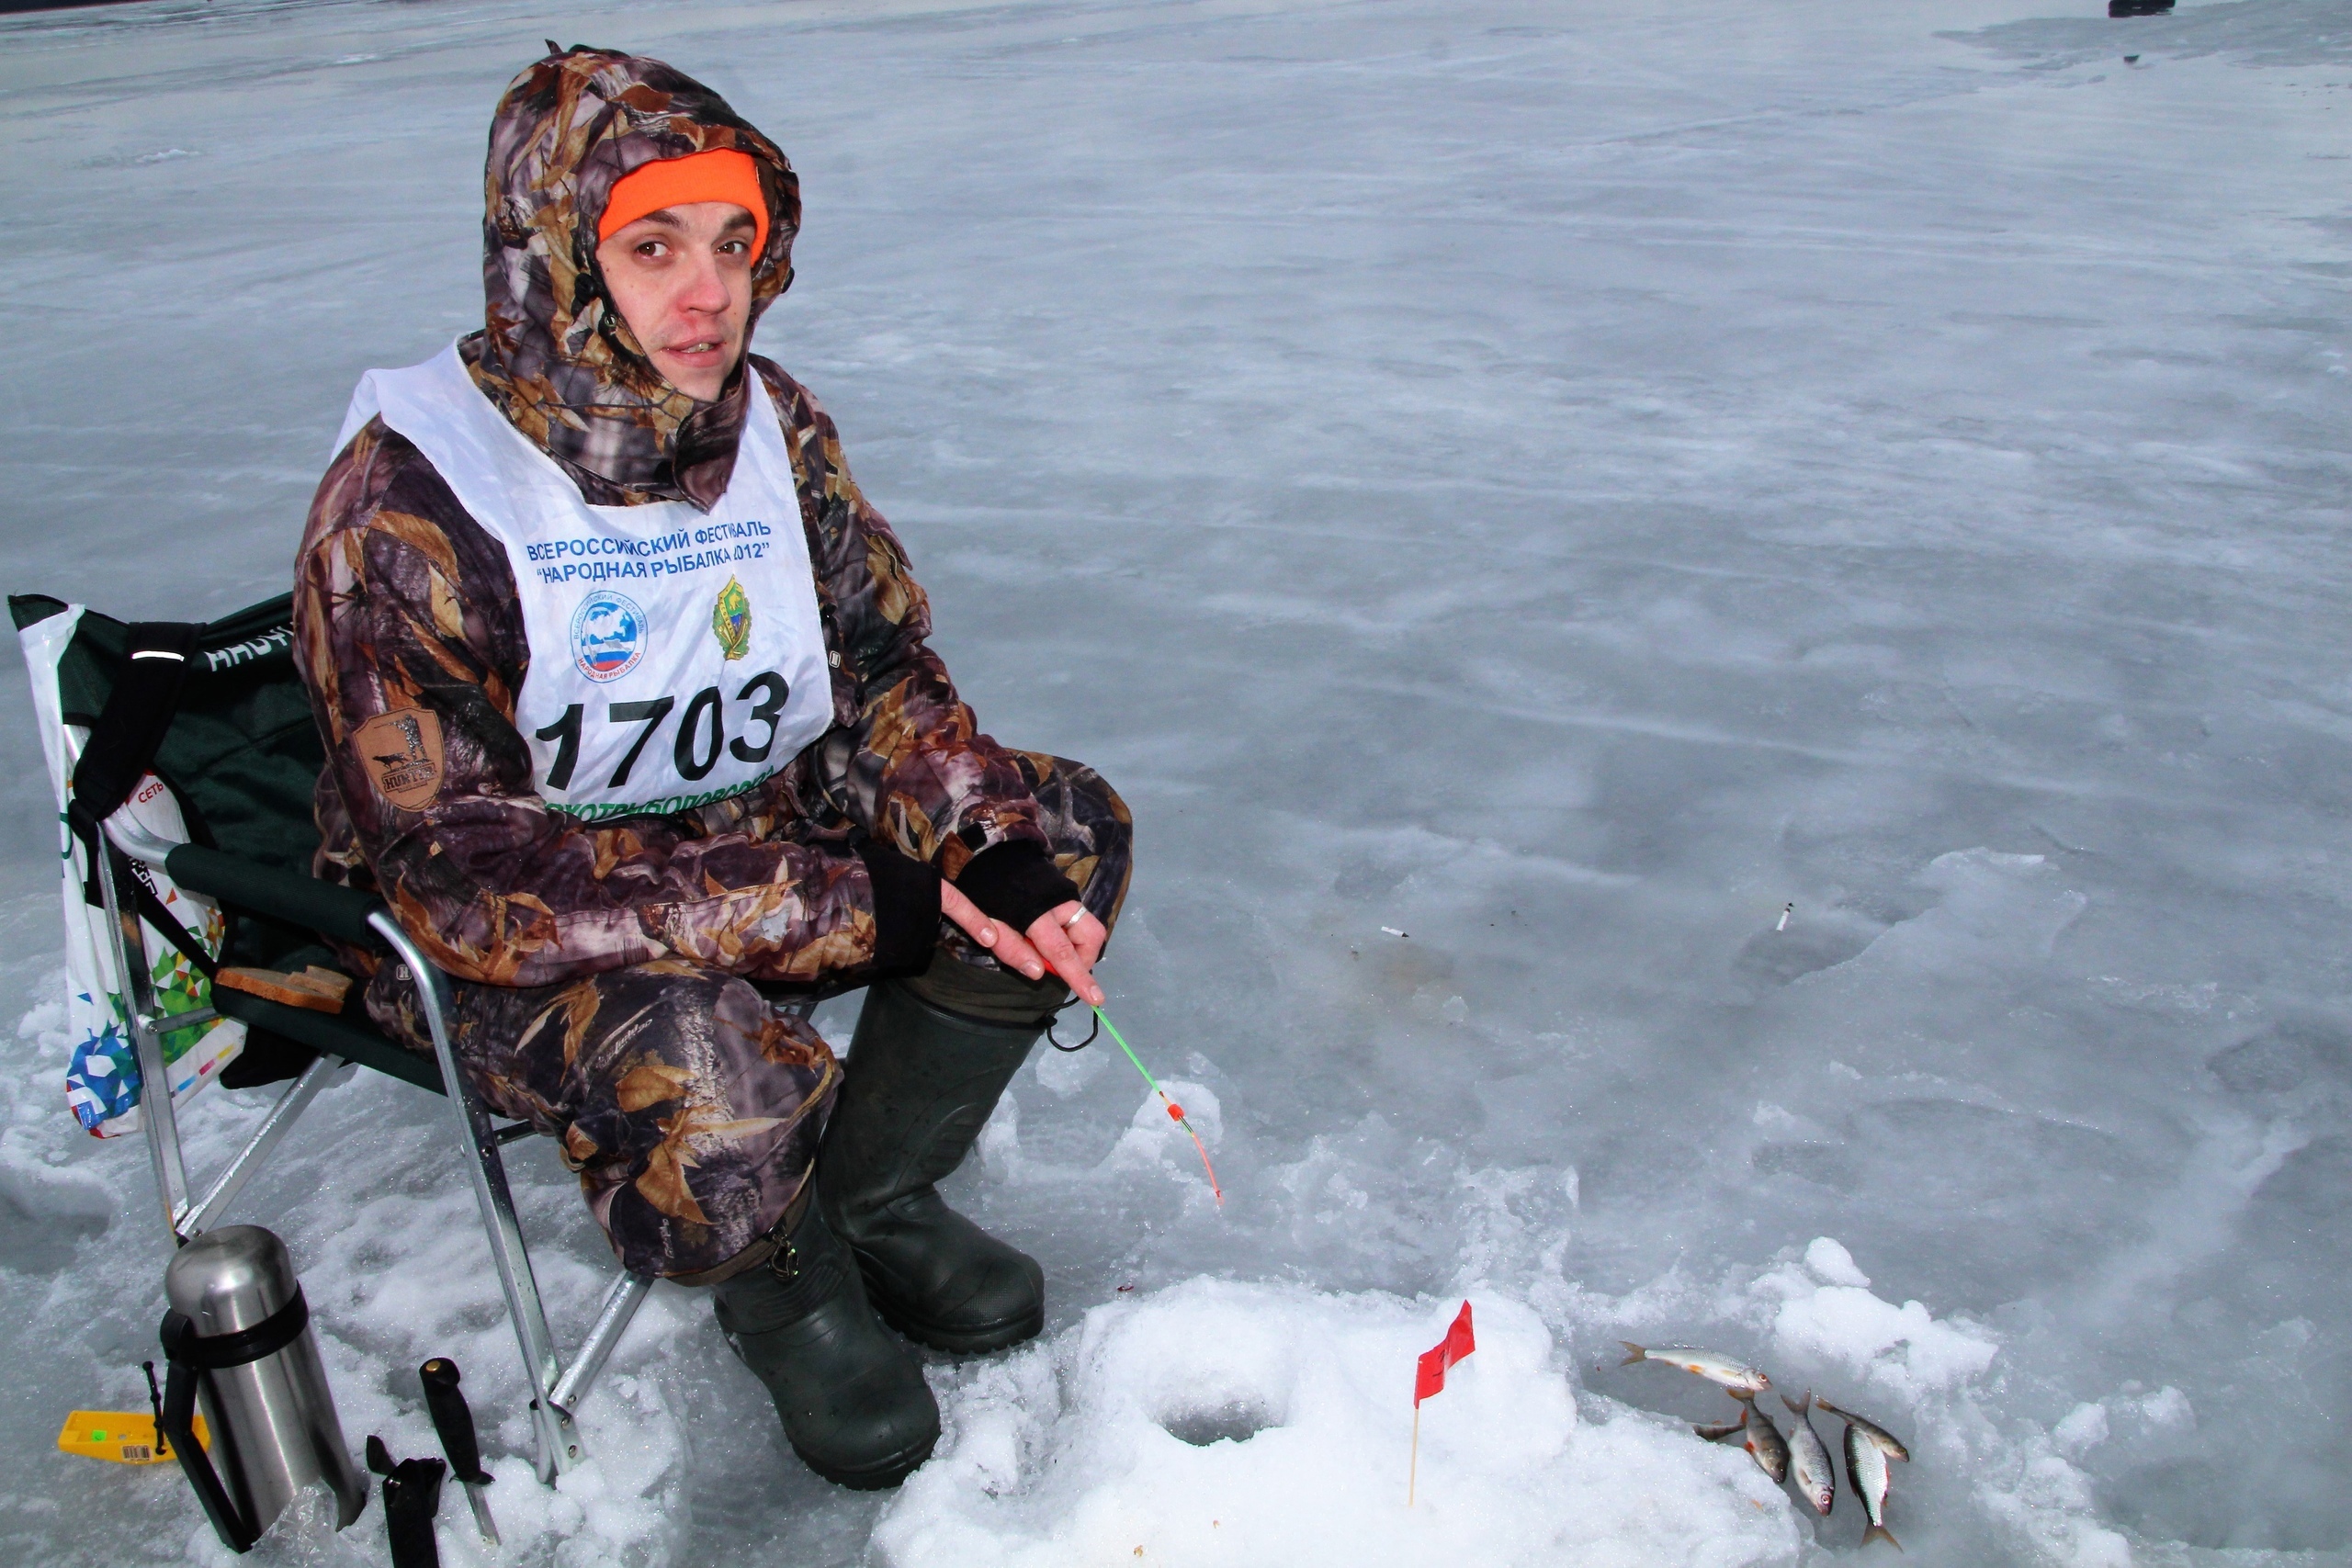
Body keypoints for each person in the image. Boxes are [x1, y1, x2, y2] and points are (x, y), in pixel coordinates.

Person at [290, 44, 1131, 1491]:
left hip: (742, 832)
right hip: (516, 938)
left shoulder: (767, 423)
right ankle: (786, 1274)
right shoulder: (404, 498)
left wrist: (979, 853)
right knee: (704, 1057)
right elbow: (473, 884)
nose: (709, 293)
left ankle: (869, 1197)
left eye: (736, 243)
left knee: (1061, 832)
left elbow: (876, 678)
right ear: (552, 258)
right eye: (653, 245)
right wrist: (866, 906)